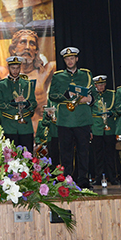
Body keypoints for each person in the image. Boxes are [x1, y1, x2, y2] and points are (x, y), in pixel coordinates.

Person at [48, 47, 95, 189]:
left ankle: (83, 179)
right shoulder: (58, 76)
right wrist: (65, 95)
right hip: (65, 120)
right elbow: (52, 95)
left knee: (83, 151)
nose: (70, 61)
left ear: (77, 59)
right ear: (64, 60)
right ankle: (67, 179)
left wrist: (88, 99)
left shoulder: (86, 74)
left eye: (72, 58)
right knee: (66, 152)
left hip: (82, 119)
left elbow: (94, 95)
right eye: (67, 59)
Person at [0, 29, 56, 126]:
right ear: (13, 49)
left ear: (36, 50)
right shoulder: (2, 73)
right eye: (23, 42)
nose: (27, 47)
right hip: (12, 127)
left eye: (32, 43)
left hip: (39, 130)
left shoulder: (44, 73)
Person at [0, 56, 37, 151]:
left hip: (25, 126)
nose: (15, 71)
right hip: (9, 126)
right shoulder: (1, 85)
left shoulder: (27, 84)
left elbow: (34, 103)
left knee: (27, 156)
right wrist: (13, 103)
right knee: (9, 158)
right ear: (8, 67)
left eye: (17, 68)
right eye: (13, 68)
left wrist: (27, 104)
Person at [90, 75, 118, 185]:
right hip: (96, 128)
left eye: (102, 84)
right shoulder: (91, 96)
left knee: (111, 154)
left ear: (105, 84)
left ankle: (112, 176)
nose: (101, 87)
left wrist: (112, 114)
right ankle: (98, 177)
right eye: (98, 84)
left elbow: (117, 109)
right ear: (95, 85)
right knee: (98, 155)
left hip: (109, 128)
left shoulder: (112, 94)